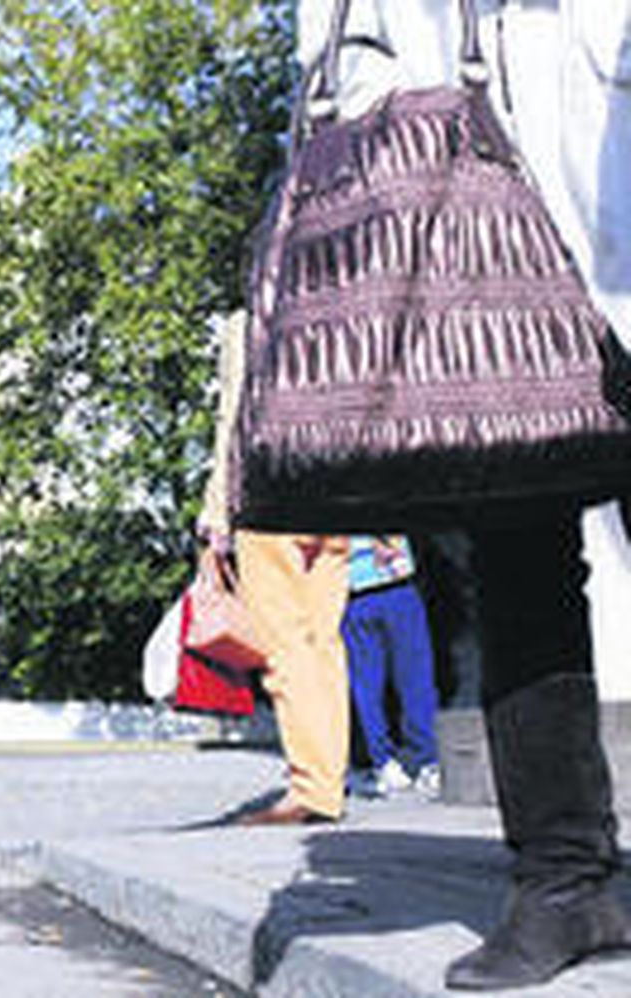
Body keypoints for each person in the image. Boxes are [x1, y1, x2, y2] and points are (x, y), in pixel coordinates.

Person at [294, 2, 631, 988]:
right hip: (466, 215)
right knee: (518, 547)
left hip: (603, 147)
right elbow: (337, 35)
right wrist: (386, 127)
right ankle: (563, 877)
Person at [200, 313, 352, 826]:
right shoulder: (337, 308)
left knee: (284, 649)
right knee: (325, 645)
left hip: (271, 496)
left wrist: (217, 509)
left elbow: (235, 417)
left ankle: (311, 790)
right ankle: (329, 783)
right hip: (334, 494)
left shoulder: (251, 321)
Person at [343, 536, 440, 800]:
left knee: (366, 683)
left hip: (354, 588)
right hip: (395, 582)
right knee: (415, 680)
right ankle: (425, 760)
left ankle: (382, 762)